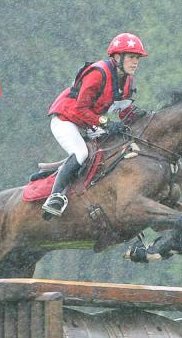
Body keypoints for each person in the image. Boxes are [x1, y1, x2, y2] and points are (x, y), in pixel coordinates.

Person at [42, 32, 148, 217]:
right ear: (117, 57)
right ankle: (55, 196)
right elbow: (80, 109)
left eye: (137, 58)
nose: (135, 62)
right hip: (66, 119)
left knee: (114, 147)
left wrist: (144, 119)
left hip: (88, 123)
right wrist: (106, 123)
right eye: (131, 57)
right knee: (81, 153)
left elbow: (123, 110)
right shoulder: (98, 73)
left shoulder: (127, 81)